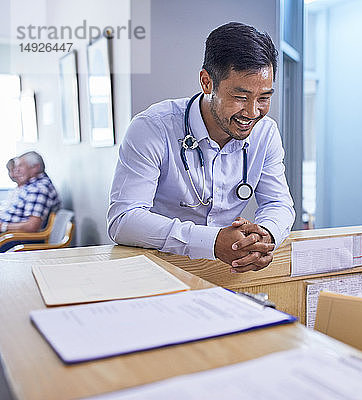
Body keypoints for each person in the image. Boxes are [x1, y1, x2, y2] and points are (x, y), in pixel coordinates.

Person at [107, 22, 295, 273]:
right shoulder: (152, 128)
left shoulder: (266, 133)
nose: (252, 112)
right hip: (158, 271)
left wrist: (264, 236)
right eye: (240, 97)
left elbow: (278, 203)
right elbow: (123, 220)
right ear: (207, 82)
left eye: (264, 98)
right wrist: (212, 242)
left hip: (229, 270)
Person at [0, 151, 61, 235]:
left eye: (21, 166)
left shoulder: (39, 189)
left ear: (35, 167)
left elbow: (32, 226)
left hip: (17, 238)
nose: (16, 170)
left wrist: (3, 226)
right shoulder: (29, 185)